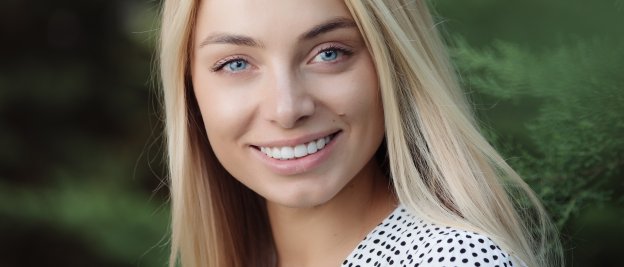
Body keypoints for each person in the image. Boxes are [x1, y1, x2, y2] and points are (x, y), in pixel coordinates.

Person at [158, 0, 562, 266]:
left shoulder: (452, 258)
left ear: (395, 65)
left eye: (329, 53)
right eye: (235, 64)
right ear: (189, 88)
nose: (287, 108)